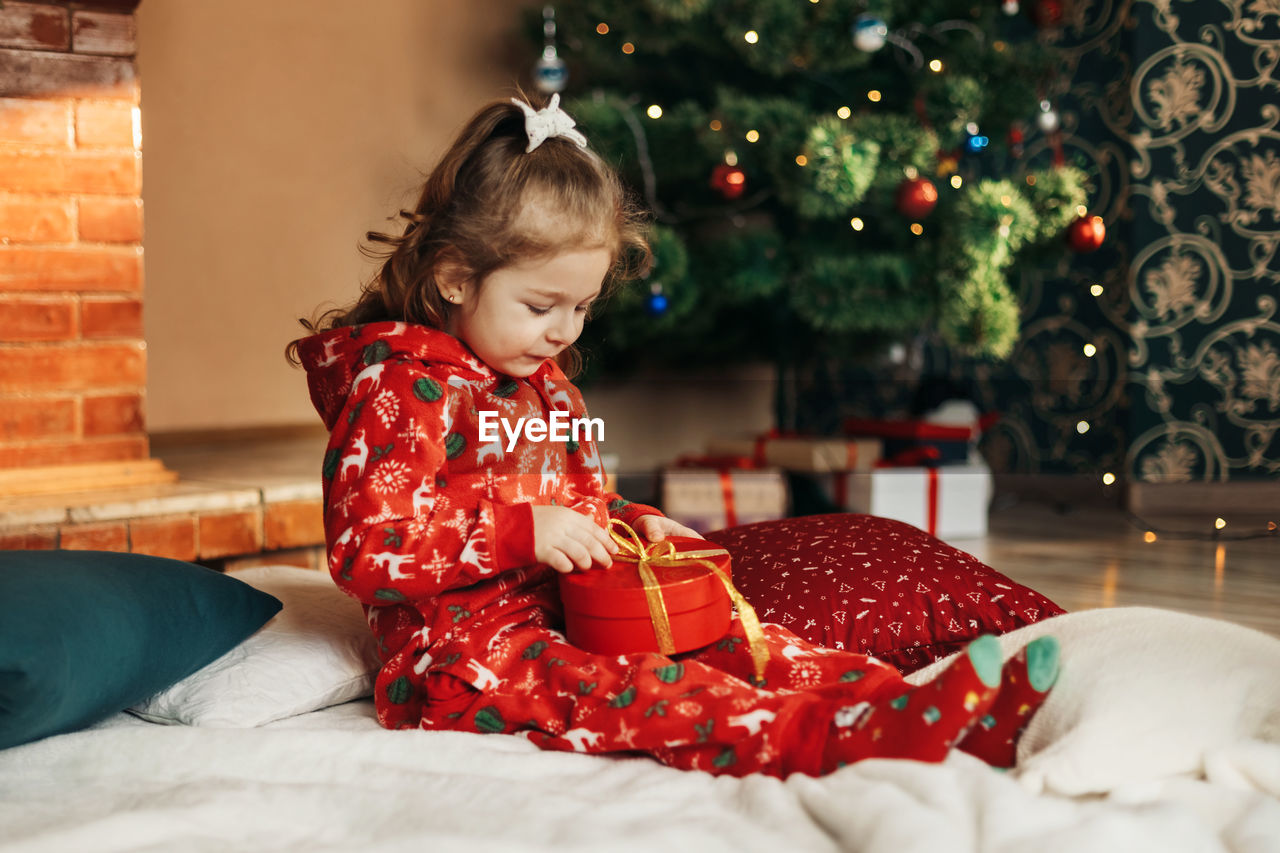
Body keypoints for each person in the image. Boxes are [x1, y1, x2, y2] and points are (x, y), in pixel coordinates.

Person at [289, 92, 1058, 777]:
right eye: (540, 305)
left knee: (744, 638)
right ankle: (826, 739)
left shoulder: (542, 380)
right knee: (651, 692)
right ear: (456, 276)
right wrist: (521, 531)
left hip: (573, 610)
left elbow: (582, 501)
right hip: (465, 658)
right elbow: (366, 550)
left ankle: (927, 707)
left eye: (583, 306)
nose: (563, 330)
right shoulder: (393, 390)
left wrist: (626, 526)